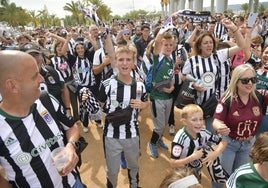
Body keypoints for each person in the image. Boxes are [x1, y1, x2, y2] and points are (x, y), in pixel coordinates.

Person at [0, 50, 82, 187]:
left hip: (73, 183)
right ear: (12, 86)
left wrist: (71, 145)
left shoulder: (46, 100)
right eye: (34, 76)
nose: (42, 79)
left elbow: (71, 127)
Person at [98, 46, 149, 188]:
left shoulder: (139, 85)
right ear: (115, 62)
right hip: (111, 136)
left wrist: (144, 105)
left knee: (133, 166)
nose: (125, 63)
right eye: (121, 60)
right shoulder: (107, 84)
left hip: (132, 134)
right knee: (113, 171)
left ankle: (134, 185)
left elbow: (147, 101)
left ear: (133, 63)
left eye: (128, 60)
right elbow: (100, 105)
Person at [181, 18, 245, 133]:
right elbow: (184, 76)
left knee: (211, 132)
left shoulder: (218, 55)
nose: (209, 45)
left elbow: (241, 45)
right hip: (196, 102)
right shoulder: (192, 60)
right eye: (205, 43)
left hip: (212, 103)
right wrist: (194, 83)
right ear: (199, 45)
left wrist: (234, 28)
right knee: (195, 132)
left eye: (211, 42)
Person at [213, 64, 268, 188]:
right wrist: (219, 127)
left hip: (248, 145)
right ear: (236, 81)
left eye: (253, 79)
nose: (250, 83)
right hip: (228, 144)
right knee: (221, 179)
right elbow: (216, 121)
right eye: (245, 80)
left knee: (241, 179)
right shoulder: (227, 99)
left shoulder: (259, 96)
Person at [171, 104, 227, 185]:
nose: (199, 123)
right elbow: (173, 163)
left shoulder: (203, 132)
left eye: (201, 119)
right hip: (182, 175)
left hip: (197, 172)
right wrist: (193, 157)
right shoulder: (180, 139)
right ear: (184, 121)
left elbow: (223, 141)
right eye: (194, 120)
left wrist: (215, 153)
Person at [19, 42, 72, 118]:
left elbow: (64, 89)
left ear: (41, 56)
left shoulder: (52, 71)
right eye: (28, 56)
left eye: (36, 55)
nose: (33, 59)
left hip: (61, 119)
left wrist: (67, 109)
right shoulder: (17, 81)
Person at [147, 30, 175, 159]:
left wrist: (172, 86)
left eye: (171, 45)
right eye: (166, 45)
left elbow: (171, 77)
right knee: (159, 125)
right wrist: (163, 29)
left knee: (163, 124)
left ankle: (158, 139)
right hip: (157, 98)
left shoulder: (171, 59)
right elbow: (157, 42)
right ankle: (152, 143)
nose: (168, 47)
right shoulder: (158, 58)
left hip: (168, 97)